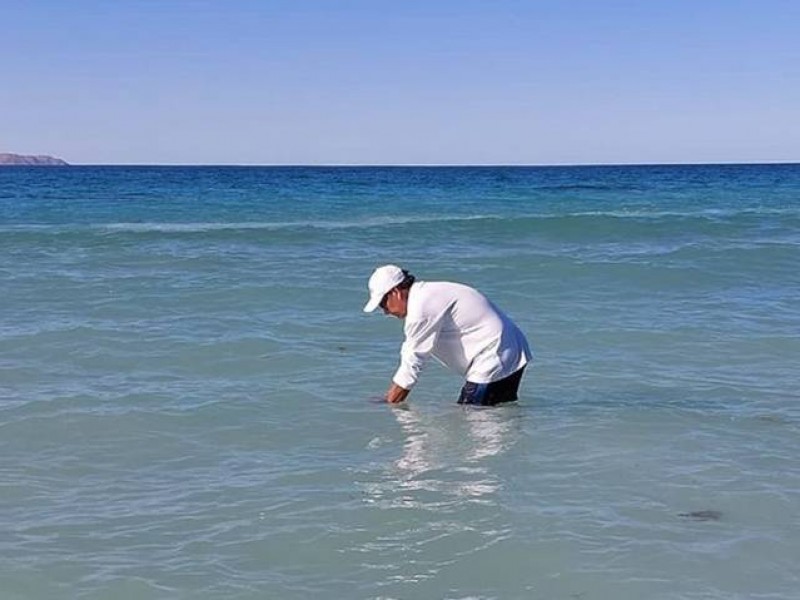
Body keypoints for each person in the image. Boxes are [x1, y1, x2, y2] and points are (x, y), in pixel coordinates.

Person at [363, 265, 532, 406]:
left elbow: (413, 360)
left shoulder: (420, 308)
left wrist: (390, 402)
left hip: (493, 355)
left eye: (383, 304)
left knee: (472, 420)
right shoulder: (428, 293)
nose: (384, 311)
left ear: (396, 292)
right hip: (510, 348)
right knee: (498, 419)